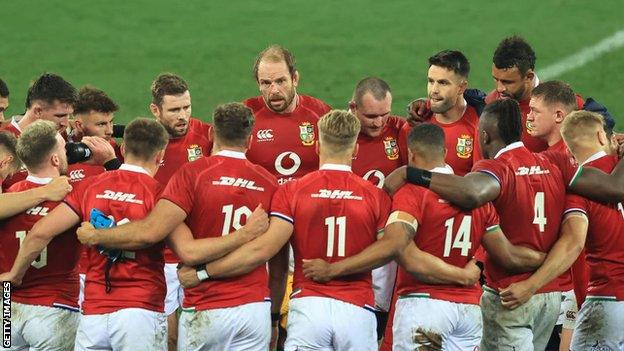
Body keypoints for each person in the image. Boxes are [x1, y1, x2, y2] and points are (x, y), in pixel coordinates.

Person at [307, 123, 546, 349]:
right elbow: (508, 256)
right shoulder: (475, 198)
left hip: (425, 307)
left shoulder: (412, 193)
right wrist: (551, 257)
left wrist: (332, 269)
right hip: (469, 311)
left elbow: (401, 250)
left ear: (411, 155)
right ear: (445, 151)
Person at [178, 110, 401, 350]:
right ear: (355, 150)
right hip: (358, 310)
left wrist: (203, 273)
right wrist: (339, 269)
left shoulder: (293, 192)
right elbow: (388, 249)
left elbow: (262, 250)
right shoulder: (375, 196)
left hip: (309, 308)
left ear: (317, 146)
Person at [76, 103, 277, 351]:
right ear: (251, 139)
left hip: (199, 307)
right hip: (253, 306)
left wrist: (97, 235)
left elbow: (164, 239)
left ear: (212, 133)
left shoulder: (191, 175)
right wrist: (276, 314)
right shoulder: (271, 183)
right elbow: (269, 254)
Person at [499, 111, 624, 349]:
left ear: (567, 148)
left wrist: (531, 285)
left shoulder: (579, 189)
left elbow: (572, 243)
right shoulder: (618, 170)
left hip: (607, 299)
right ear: (601, 135)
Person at [0, 120, 80, 350]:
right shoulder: (74, 196)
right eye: (63, 149)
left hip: (6, 310)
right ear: (55, 159)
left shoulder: (11, 196)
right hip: (54, 309)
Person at [148, 73, 213, 350]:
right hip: (157, 260)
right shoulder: (142, 144)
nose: (183, 116)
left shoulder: (208, 137)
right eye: (174, 110)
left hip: (196, 256)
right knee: (166, 339)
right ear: (155, 110)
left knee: (198, 337)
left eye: (187, 107)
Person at [348, 76, 408, 340]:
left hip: (385, 238)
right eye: (371, 116)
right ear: (353, 108)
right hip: (348, 233)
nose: (379, 122)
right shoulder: (341, 135)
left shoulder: (399, 131)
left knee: (380, 309)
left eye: (385, 114)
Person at [244, 44, 331, 185]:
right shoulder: (243, 117)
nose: (274, 91)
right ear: (258, 83)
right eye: (266, 83)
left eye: (280, 81)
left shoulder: (322, 115)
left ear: (295, 78)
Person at [426, 50, 482, 176]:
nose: (434, 90)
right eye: (431, 81)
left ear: (461, 87)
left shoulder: (479, 125)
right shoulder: (418, 119)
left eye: (443, 83)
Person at [0, 130, 72, 218]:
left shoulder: (12, 190)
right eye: (9, 173)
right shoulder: (73, 192)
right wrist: (46, 191)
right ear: (5, 162)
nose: (10, 176)